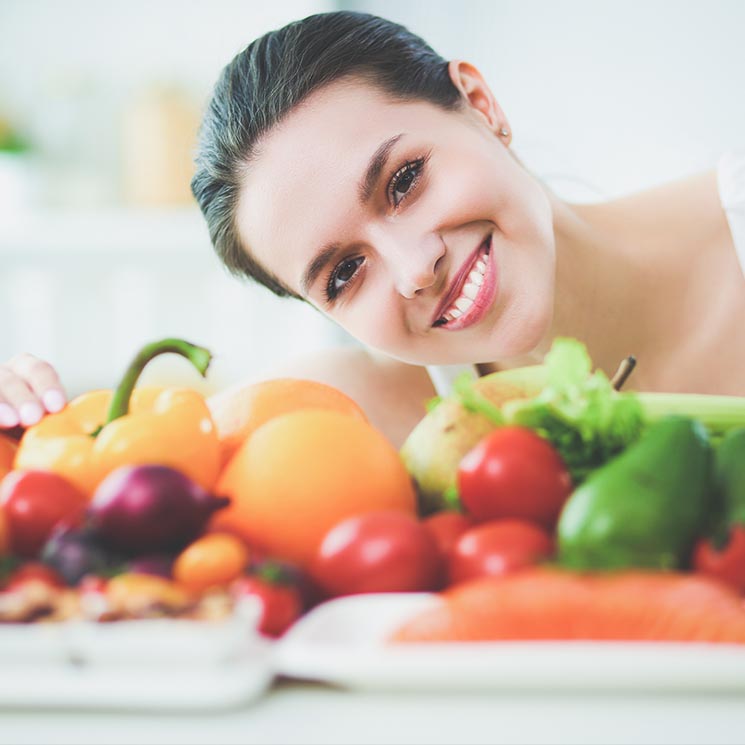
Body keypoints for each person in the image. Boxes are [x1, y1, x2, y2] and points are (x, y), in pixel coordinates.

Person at [1, 11, 744, 449]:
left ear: (480, 104)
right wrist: (22, 432)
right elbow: (112, 478)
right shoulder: (366, 418)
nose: (413, 265)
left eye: (404, 180)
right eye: (343, 274)